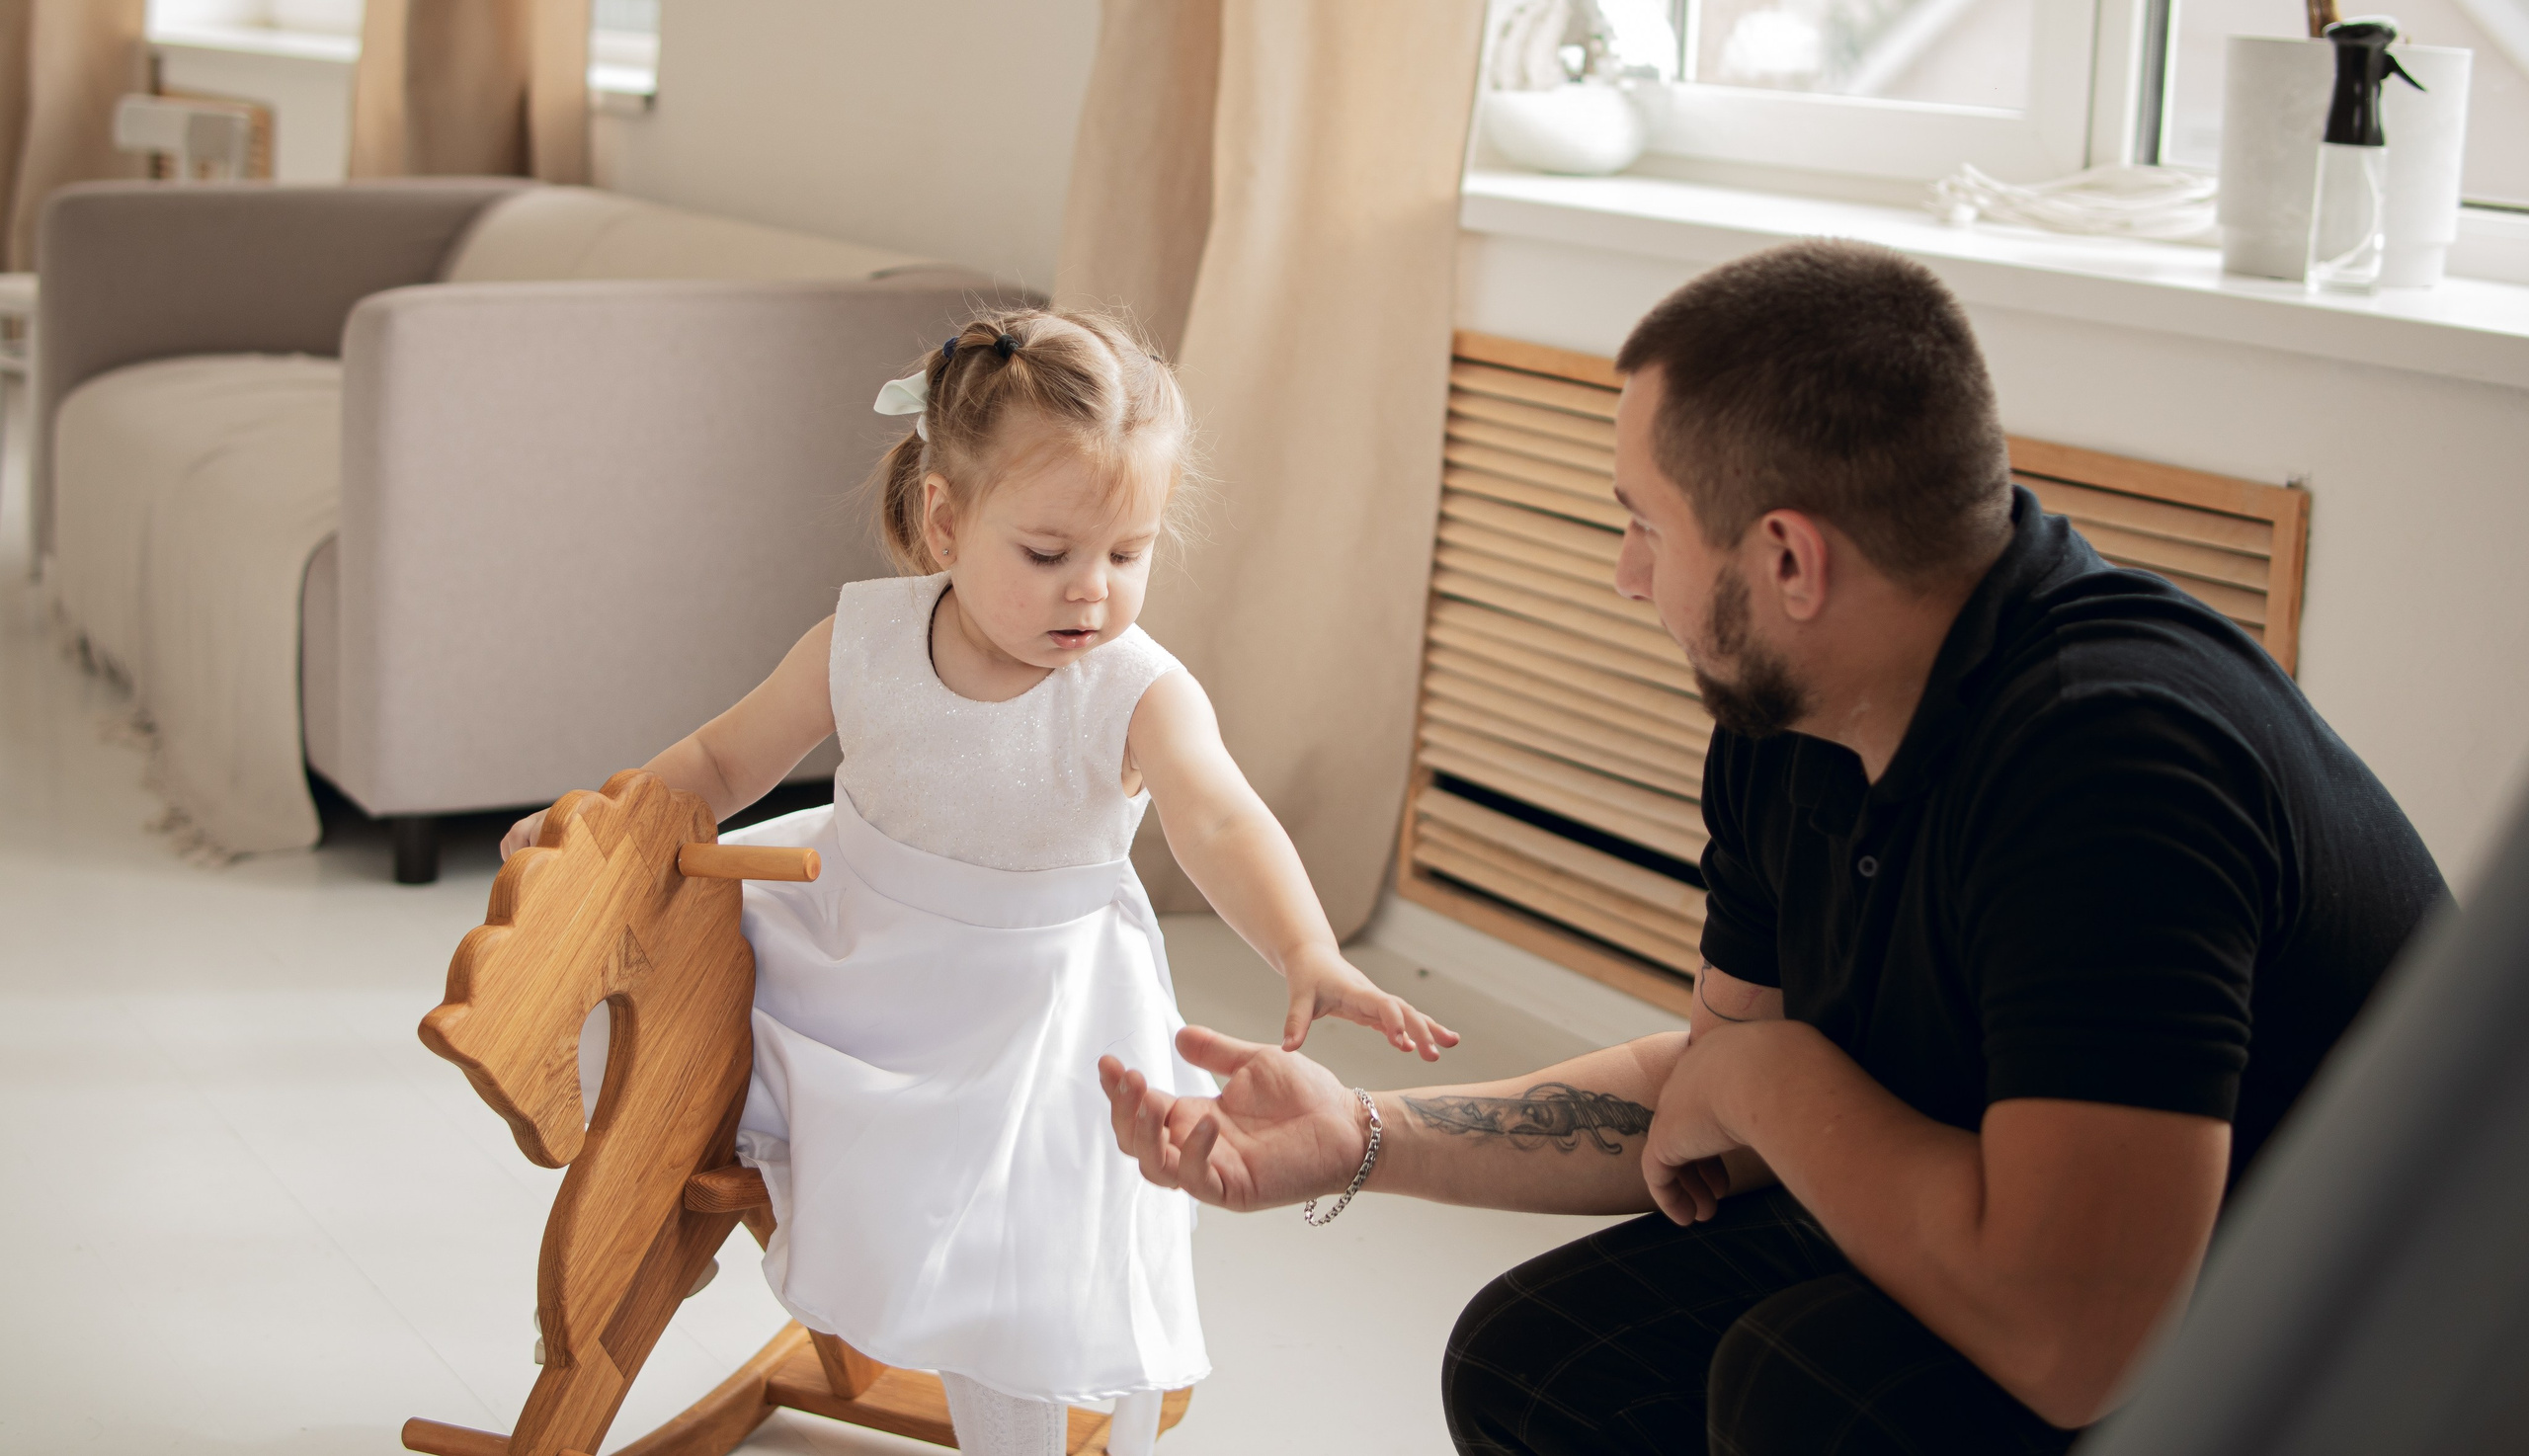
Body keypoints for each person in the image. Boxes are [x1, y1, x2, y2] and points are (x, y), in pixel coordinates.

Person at [1099, 241, 2452, 1455]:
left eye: (1643, 523)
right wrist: (1363, 1137)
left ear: (1789, 559)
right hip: (2005, 1214)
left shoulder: (2115, 769)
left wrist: (1772, 1081)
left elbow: (2069, 1343)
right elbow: (1712, 1103)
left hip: (2339, 1350)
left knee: (1802, 1387)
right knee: (1538, 1365)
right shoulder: (1798, 712)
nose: (1629, 575)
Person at [500, 308, 1457, 1456]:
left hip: (1029, 1013)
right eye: (1047, 553)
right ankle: (683, 1208)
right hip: (847, 946)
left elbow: (1219, 815)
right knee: (648, 1012)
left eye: (1128, 552)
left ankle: (1016, 1415)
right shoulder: (860, 641)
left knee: (1020, 1258)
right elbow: (716, 763)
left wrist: (1307, 948)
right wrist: (594, 828)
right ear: (944, 520)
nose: (1090, 592)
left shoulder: (1134, 688)